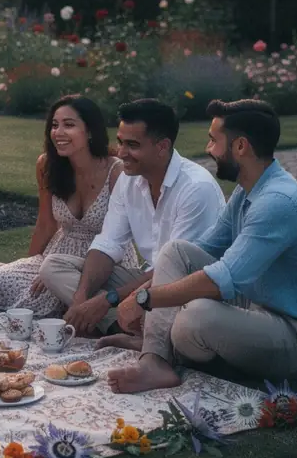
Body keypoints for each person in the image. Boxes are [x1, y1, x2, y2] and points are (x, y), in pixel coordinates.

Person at [106, 99, 297, 393]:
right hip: (261, 310)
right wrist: (142, 298)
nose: (208, 149)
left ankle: (166, 352)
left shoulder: (277, 202)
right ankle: (154, 357)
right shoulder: (248, 191)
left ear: (240, 146)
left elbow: (222, 279)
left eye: (213, 140)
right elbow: (203, 249)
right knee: (176, 251)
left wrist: (145, 299)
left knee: (194, 319)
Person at [41, 98, 225, 336]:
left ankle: (127, 326)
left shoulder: (196, 188)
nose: (121, 153)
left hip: (188, 289)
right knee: (53, 266)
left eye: (132, 145)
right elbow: (108, 244)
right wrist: (81, 297)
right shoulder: (129, 180)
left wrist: (108, 299)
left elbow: (176, 271)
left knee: (184, 315)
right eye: (120, 142)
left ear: (162, 147)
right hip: (146, 279)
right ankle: (124, 327)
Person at [0, 95, 137, 318]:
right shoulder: (47, 165)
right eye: (54, 125)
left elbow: (121, 237)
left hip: (105, 260)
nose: (58, 133)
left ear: (90, 131)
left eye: (68, 125)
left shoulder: (116, 172)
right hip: (57, 254)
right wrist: (31, 265)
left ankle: (106, 313)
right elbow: (45, 224)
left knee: (62, 289)